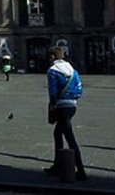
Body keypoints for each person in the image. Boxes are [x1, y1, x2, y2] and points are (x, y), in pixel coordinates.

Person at [45, 46, 86, 180]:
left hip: (61, 106)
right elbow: (79, 89)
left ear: (52, 57)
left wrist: (53, 105)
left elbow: (52, 92)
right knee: (57, 133)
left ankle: (80, 170)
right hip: (72, 106)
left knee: (69, 137)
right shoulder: (73, 71)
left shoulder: (53, 71)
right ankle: (58, 165)